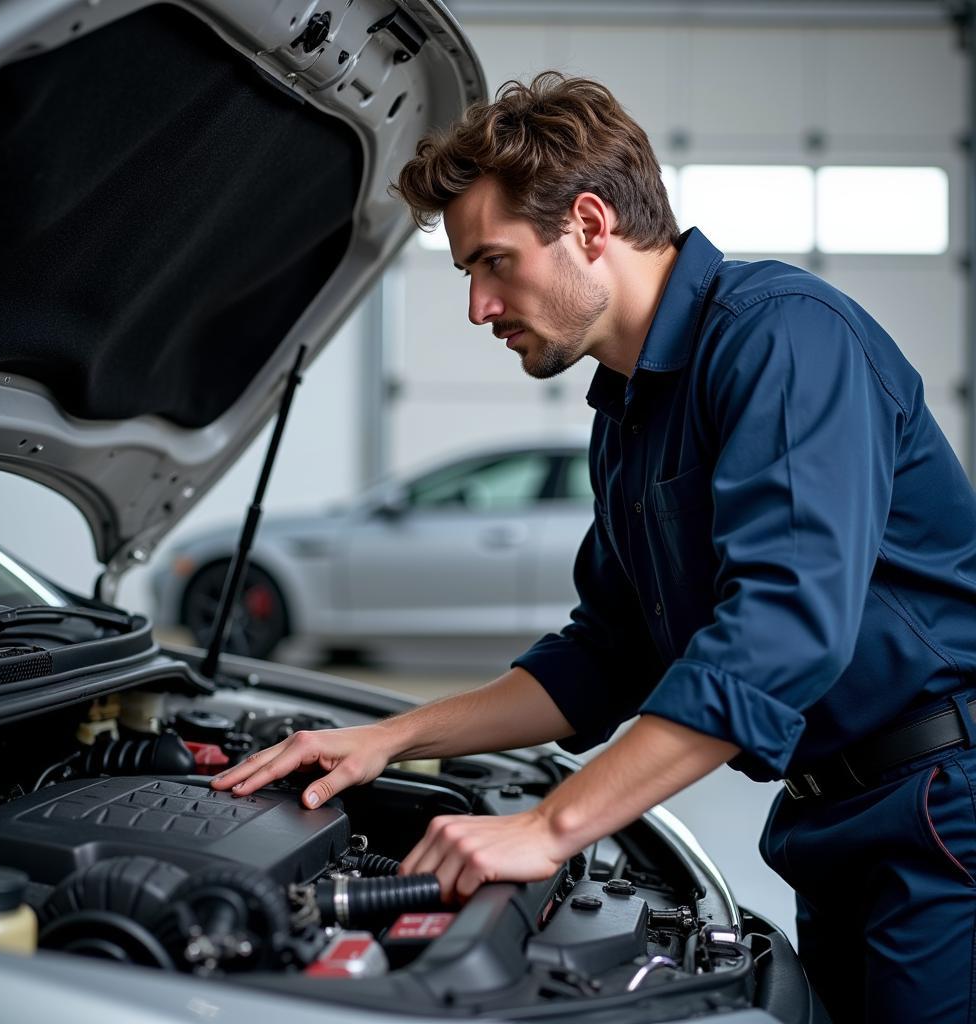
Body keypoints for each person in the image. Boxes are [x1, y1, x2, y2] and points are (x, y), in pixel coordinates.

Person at [213, 72, 976, 1022]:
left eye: (492, 263)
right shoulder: (627, 417)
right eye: (467, 276)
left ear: (587, 223)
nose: (478, 308)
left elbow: (783, 634)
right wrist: (387, 741)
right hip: (830, 819)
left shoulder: (781, 338)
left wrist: (548, 827)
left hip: (942, 807)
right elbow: (600, 660)